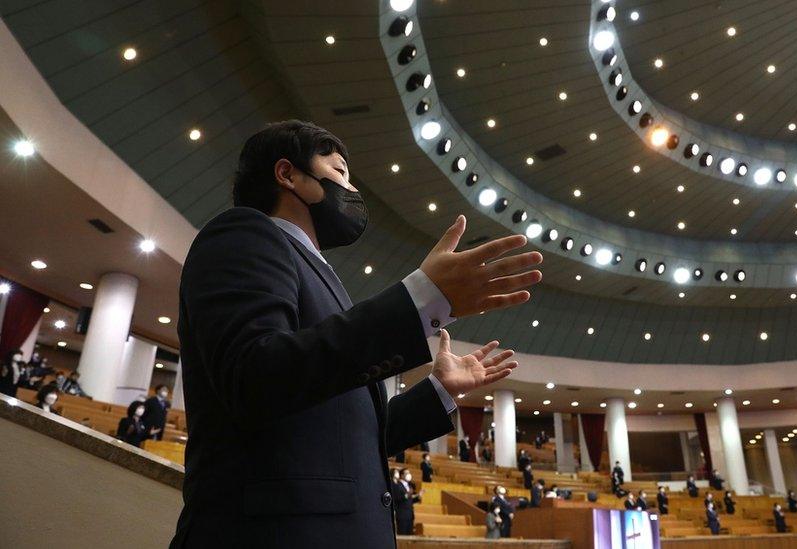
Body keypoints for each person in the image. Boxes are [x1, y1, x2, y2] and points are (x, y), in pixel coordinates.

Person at [169, 121, 538, 548]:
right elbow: (253, 377)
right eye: (340, 171)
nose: (353, 189)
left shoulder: (325, 278)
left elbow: (345, 435)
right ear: (288, 174)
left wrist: (439, 390)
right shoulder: (244, 234)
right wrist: (420, 300)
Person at [393, 468, 422, 535]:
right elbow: (397, 498)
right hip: (402, 515)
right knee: (402, 535)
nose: (409, 475)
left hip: (410, 515)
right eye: (406, 473)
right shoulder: (397, 485)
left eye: (409, 473)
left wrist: (418, 497)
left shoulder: (409, 485)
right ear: (402, 475)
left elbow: (409, 500)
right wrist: (406, 495)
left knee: (409, 536)